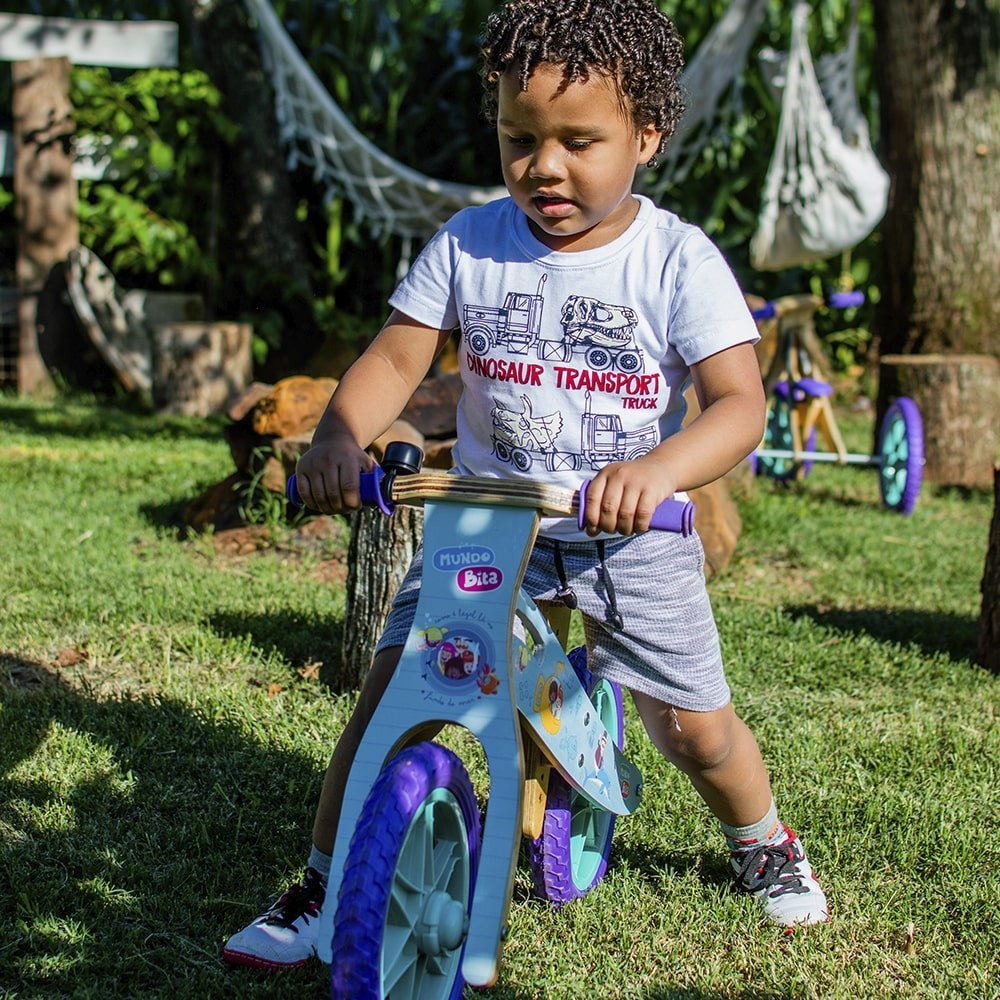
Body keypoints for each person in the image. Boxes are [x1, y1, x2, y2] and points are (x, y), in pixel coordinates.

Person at [223, 0, 828, 971]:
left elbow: (736, 404)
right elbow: (394, 355)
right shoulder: (470, 242)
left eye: (578, 142)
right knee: (390, 700)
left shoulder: (674, 260)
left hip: (629, 533)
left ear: (646, 135)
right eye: (519, 139)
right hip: (490, 523)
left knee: (693, 729)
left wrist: (657, 469)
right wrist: (341, 430)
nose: (544, 165)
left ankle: (762, 841)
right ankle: (320, 881)